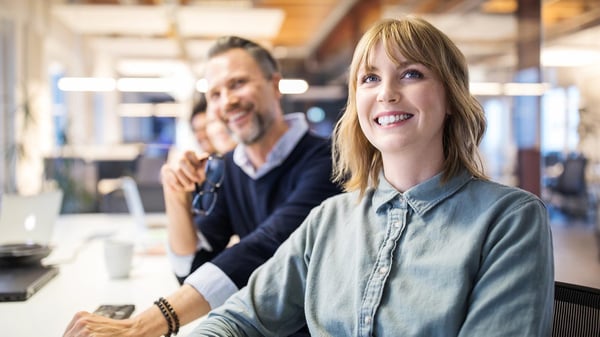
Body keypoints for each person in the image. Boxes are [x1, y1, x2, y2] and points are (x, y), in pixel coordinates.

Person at [188, 16, 555, 336]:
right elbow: (238, 319)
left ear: (450, 98)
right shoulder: (329, 219)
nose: (387, 94)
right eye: (370, 78)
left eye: (411, 74)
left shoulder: (510, 219)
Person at [63, 35, 342, 337]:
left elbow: (266, 248)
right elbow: (191, 271)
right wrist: (175, 194)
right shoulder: (230, 168)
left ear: (275, 85)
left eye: (237, 84)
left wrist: (142, 326)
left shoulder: (328, 161)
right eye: (215, 94)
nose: (227, 102)